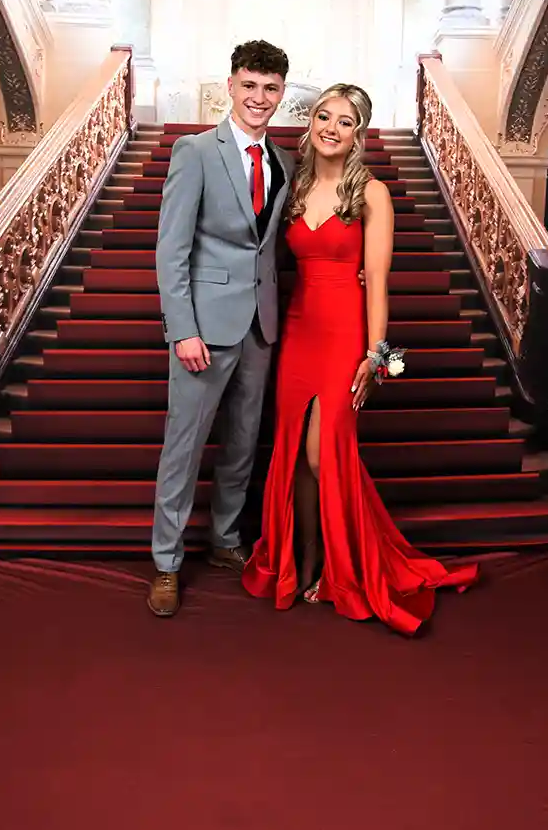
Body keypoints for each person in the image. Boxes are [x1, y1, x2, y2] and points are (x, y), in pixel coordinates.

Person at [242, 84, 479, 635]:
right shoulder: (293, 185)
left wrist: (378, 356)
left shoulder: (372, 193)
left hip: (347, 333)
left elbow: (378, 283)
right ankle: (302, 562)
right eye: (324, 116)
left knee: (326, 455)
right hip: (298, 331)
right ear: (311, 122)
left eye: (345, 121)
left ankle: (341, 566)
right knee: (297, 455)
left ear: (358, 133)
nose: (331, 127)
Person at [148, 40, 295, 617]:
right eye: (250, 86)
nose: (260, 98)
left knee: (241, 443)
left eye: (271, 88)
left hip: (261, 325)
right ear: (231, 86)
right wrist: (182, 328)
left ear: (282, 93)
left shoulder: (283, 161)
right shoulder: (195, 151)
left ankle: (226, 539)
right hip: (204, 329)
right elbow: (171, 249)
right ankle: (166, 562)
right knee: (183, 448)